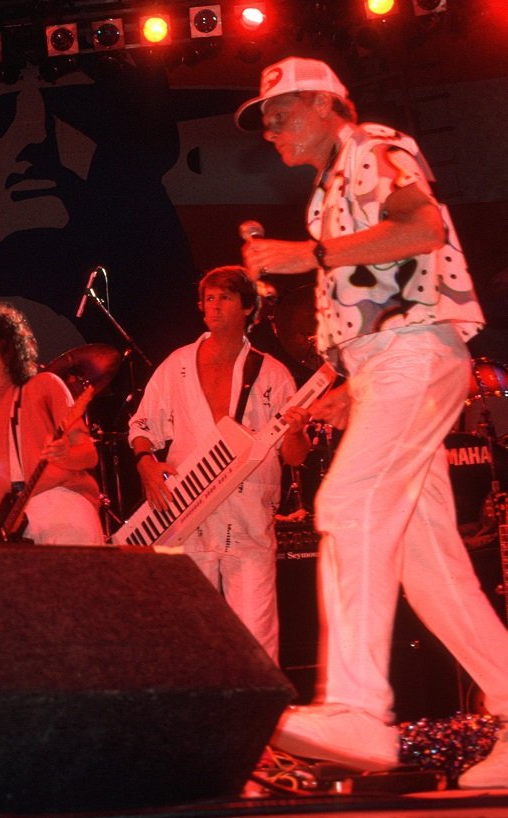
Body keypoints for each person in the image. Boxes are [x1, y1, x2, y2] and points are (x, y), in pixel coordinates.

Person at [237, 56, 508, 782]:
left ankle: (357, 708)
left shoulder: (374, 147)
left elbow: (418, 229)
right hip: (397, 361)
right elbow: (383, 298)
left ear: (330, 105)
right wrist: (350, 389)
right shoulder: (329, 186)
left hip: (415, 355)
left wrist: (307, 256)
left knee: (350, 503)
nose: (269, 129)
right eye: (263, 119)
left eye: (281, 112)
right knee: (431, 567)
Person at [127, 266, 311, 662]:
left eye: (225, 298)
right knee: (194, 637)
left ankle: (261, 719)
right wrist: (145, 461)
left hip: (248, 521)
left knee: (256, 640)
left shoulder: (273, 374)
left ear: (249, 308)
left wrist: (296, 432)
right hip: (187, 515)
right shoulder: (176, 365)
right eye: (209, 298)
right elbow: (141, 425)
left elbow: (294, 457)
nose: (214, 306)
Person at [0, 301, 102, 545]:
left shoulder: (44, 386)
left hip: (62, 505)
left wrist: (66, 455)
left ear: (8, 347)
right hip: (14, 528)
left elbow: (89, 455)